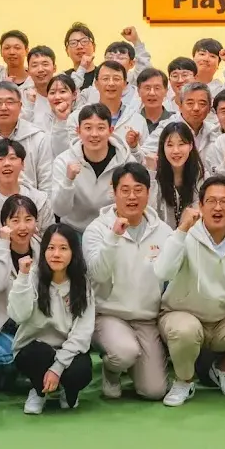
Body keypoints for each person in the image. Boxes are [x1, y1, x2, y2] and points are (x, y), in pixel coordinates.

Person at [156, 176, 225, 406]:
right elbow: (163, 272)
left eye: (224, 202)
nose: (218, 208)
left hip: (224, 319)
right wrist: (181, 230)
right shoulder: (185, 235)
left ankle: (224, 370)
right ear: (200, 205)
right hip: (182, 313)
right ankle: (184, 380)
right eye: (211, 201)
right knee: (185, 331)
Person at [81, 162, 174, 401]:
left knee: (154, 391)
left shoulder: (164, 232)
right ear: (113, 192)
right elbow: (98, 274)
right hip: (108, 315)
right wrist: (114, 237)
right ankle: (112, 370)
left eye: (138, 189)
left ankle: (132, 364)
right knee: (124, 352)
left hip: (146, 319)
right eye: (125, 190)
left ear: (148, 192)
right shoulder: (96, 230)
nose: (132, 196)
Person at [8, 223, 95, 414]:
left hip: (67, 350)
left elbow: (82, 332)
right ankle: (38, 390)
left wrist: (57, 367)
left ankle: (67, 389)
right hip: (34, 347)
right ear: (43, 251)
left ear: (73, 252)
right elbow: (18, 315)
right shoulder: (31, 276)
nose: (56, 254)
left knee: (81, 370)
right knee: (36, 356)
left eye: (63, 248)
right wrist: (22, 277)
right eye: (51, 248)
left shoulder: (82, 283)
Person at [0, 194, 44, 389]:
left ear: (36, 222)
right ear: (4, 224)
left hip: (32, 324)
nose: (22, 227)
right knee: (5, 359)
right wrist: (3, 246)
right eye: (15, 221)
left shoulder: (43, 249)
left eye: (28, 219)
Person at [49, 104, 134, 232]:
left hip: (114, 230)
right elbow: (60, 211)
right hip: (74, 231)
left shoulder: (126, 162)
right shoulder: (64, 161)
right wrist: (68, 181)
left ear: (111, 130)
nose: (94, 134)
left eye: (101, 128)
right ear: (78, 131)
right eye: (88, 128)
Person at [151, 123, 203, 228]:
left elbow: (199, 213)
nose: (176, 151)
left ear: (191, 146)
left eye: (181, 144)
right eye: (170, 145)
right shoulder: (154, 174)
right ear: (162, 147)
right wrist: (151, 173)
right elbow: (149, 211)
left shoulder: (200, 175)